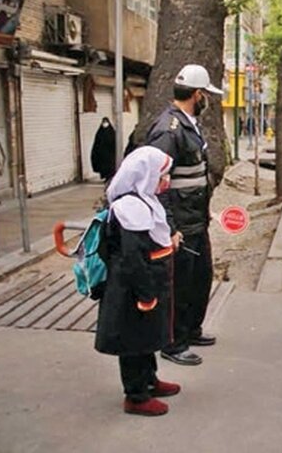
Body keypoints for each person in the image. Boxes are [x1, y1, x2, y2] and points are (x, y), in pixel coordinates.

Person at [145, 64, 223, 366]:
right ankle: (173, 343)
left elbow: (193, 177)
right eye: (207, 96)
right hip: (179, 224)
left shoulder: (189, 124)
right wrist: (169, 227)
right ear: (197, 94)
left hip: (196, 220)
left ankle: (191, 330)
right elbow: (156, 183)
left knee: (200, 278)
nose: (208, 102)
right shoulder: (168, 130)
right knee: (178, 286)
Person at [97, 146, 180, 416]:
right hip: (132, 288)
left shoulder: (144, 200)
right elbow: (132, 258)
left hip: (147, 281)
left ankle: (149, 379)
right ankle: (136, 395)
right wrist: (145, 294)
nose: (165, 181)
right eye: (161, 176)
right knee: (133, 339)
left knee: (147, 334)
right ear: (145, 176)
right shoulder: (130, 208)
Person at [90, 117, 116, 183]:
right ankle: (106, 176)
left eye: (106, 122)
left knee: (110, 167)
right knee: (104, 167)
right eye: (104, 122)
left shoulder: (112, 132)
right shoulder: (100, 132)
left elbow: (114, 143)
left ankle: (109, 177)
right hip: (102, 154)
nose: (105, 124)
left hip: (110, 154)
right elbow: (97, 143)